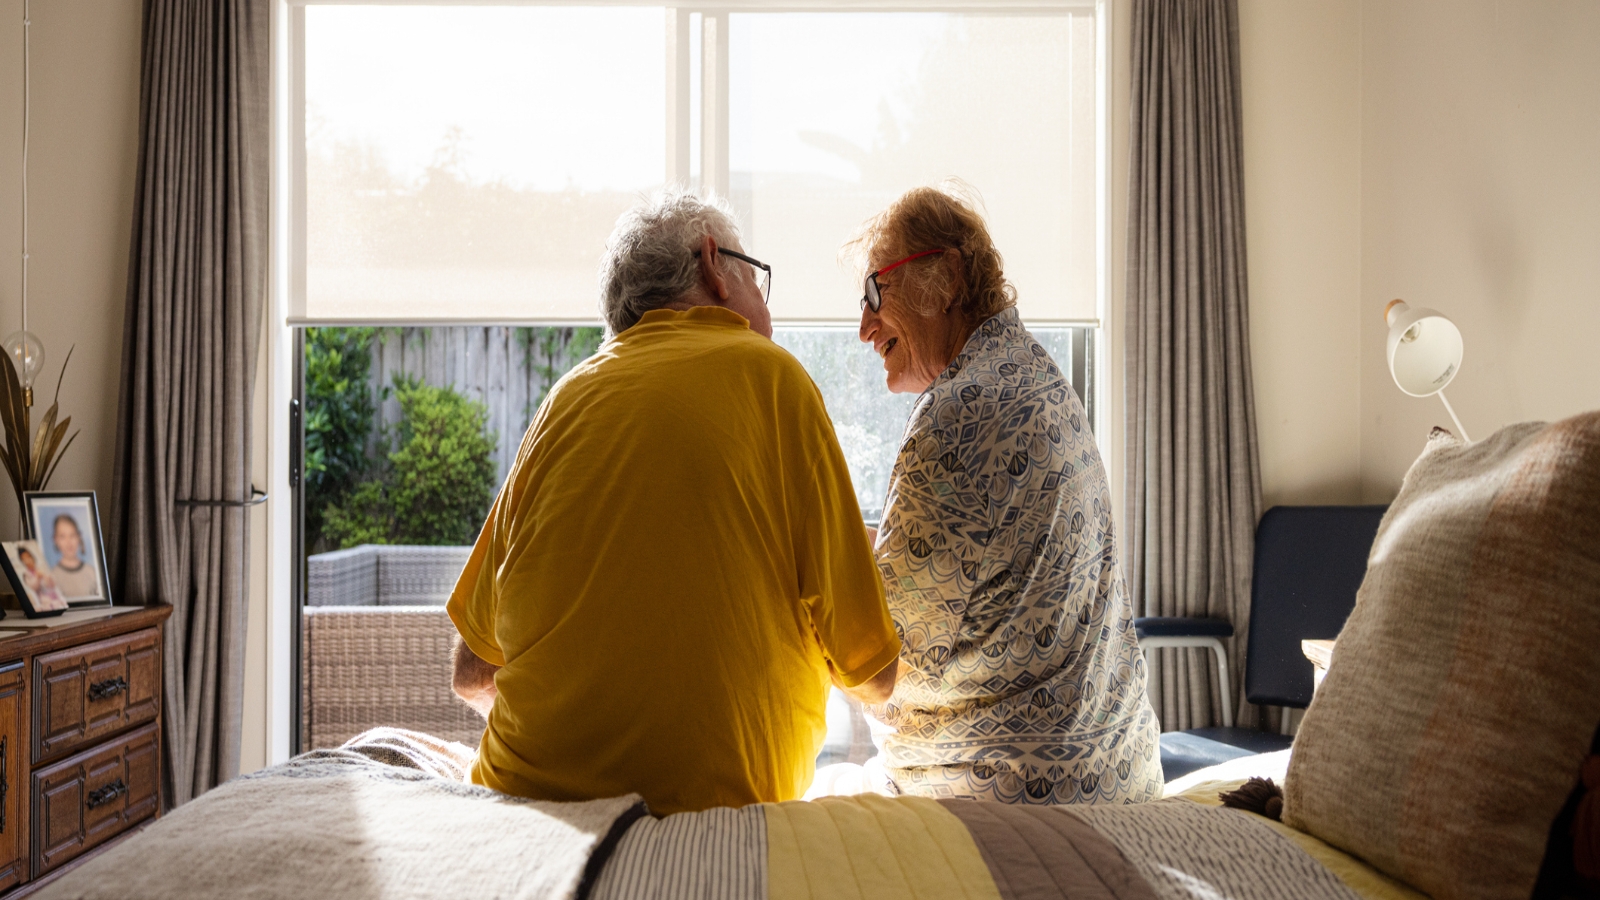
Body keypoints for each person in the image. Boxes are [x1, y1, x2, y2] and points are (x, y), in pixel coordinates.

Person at [447, 191, 900, 815]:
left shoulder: (565, 402)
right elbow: (872, 676)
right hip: (718, 811)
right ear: (715, 264)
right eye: (757, 278)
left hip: (524, 807)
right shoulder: (775, 381)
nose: (766, 305)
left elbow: (472, 674)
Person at [823, 183, 1163, 804]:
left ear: (945, 277)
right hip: (1120, 778)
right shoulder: (1036, 374)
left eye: (877, 291)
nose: (864, 325)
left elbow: (879, 668)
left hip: (1017, 797)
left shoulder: (956, 416)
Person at [48, 514, 101, 600]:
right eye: (62, 536)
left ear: (79, 537)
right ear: (55, 540)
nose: (68, 542)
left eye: (72, 535)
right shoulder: (52, 576)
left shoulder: (92, 572)